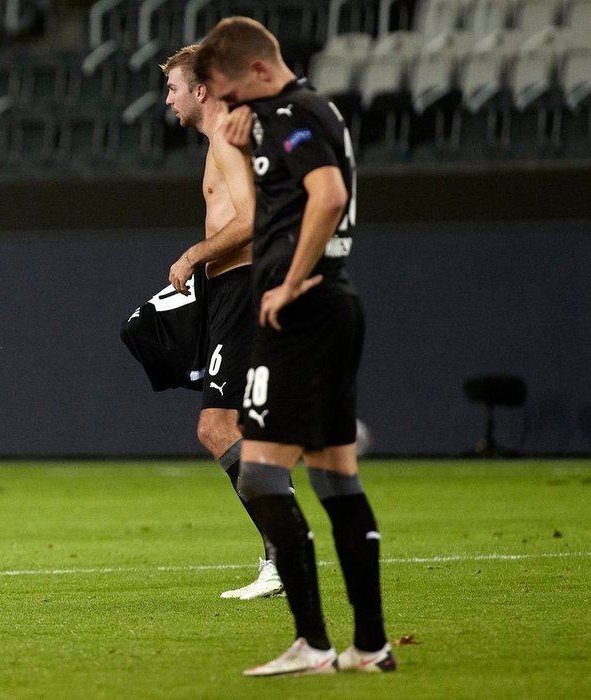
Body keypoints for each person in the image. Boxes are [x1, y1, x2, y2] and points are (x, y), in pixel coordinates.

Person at [193, 18, 396, 676]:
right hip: (335, 305)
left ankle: (312, 641)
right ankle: (370, 646)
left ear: (256, 71)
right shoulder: (302, 109)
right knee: (336, 475)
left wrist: (287, 281)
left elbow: (328, 196)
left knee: (260, 472)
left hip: (303, 311)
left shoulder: (289, 111)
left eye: (229, 91)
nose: (230, 107)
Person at [161, 45, 283, 600]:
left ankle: (285, 553)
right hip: (232, 286)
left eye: (173, 88)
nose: (169, 99)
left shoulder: (229, 139)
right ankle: (282, 554)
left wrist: (193, 256)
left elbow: (254, 221)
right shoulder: (225, 139)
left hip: (245, 284)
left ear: (201, 90)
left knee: (218, 426)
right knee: (245, 427)